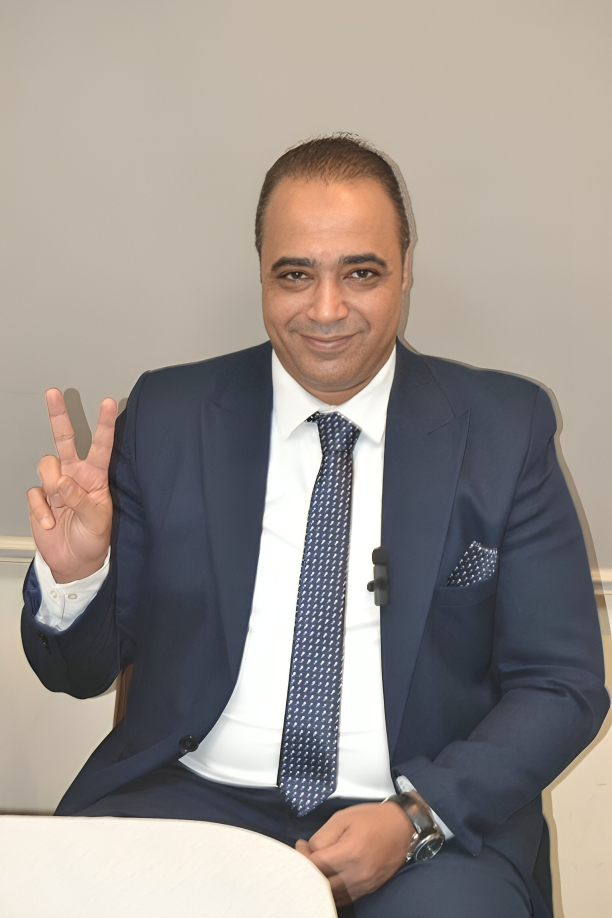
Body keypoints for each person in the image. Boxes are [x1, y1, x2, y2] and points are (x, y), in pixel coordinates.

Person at [22, 135, 608, 918]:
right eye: (295, 274)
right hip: (189, 800)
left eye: (361, 273)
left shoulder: (505, 429)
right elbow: (77, 673)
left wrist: (415, 816)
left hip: (421, 829)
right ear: (262, 273)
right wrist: (76, 576)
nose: (326, 310)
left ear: (405, 269)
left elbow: (562, 686)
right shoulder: (169, 417)